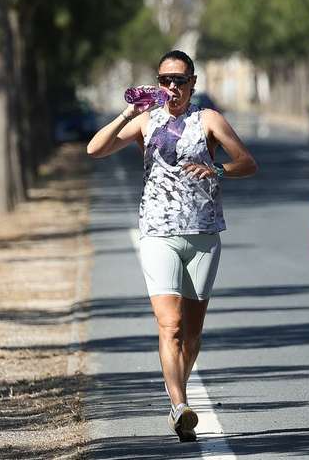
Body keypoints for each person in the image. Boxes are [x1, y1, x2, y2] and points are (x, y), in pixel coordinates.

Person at [87, 50, 257, 441]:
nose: (172, 88)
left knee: (193, 335)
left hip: (203, 233)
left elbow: (247, 162)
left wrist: (217, 168)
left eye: (180, 80)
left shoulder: (208, 120)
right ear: (157, 82)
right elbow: (95, 150)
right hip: (158, 233)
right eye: (165, 80)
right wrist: (128, 114)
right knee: (171, 325)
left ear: (193, 83)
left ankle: (178, 391)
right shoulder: (146, 121)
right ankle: (179, 405)